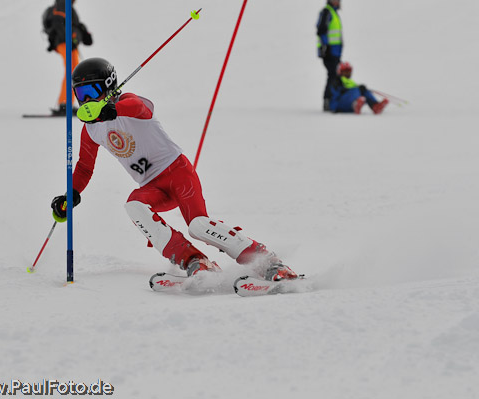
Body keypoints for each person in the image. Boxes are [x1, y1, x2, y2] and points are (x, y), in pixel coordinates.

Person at [50, 57, 299, 281]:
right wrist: (70, 194)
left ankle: (268, 261)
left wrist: (111, 110)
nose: (86, 101)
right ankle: (193, 261)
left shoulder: (127, 102)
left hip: (178, 174)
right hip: (152, 187)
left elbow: (140, 108)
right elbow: (83, 167)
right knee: (134, 206)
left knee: (198, 225)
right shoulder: (90, 130)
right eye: (80, 95)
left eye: (91, 92)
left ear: (109, 86)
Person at [42, 0, 93, 116]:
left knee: (74, 70)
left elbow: (72, 24)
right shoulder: (62, 4)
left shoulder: (68, 7)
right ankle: (64, 103)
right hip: (65, 43)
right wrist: (70, 38)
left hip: (69, 43)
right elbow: (58, 23)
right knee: (72, 70)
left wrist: (83, 33)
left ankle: (66, 103)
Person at [316, 0, 343, 111]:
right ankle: (328, 100)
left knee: (336, 75)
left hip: (336, 52)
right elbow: (321, 30)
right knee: (332, 75)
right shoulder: (327, 12)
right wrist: (325, 46)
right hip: (329, 52)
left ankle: (334, 99)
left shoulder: (334, 12)